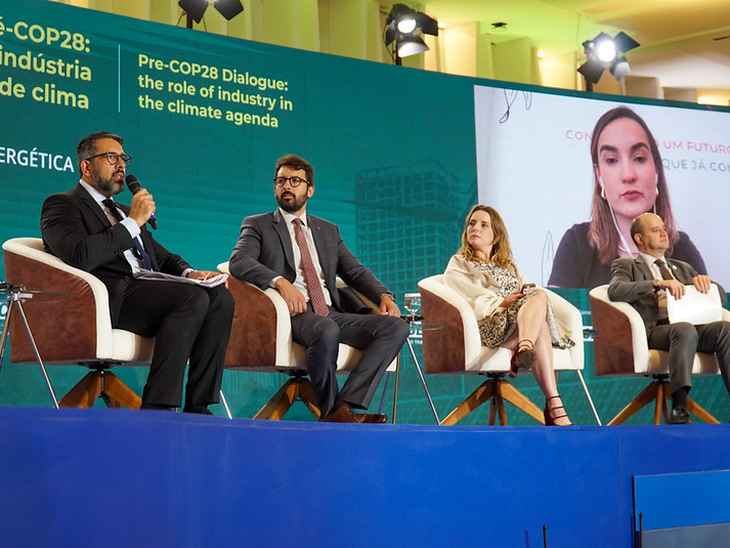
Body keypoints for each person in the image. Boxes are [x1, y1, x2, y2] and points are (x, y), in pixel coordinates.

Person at [40, 131, 234, 414]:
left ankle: (199, 405)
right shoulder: (62, 204)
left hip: (150, 292)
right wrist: (132, 222)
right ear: (86, 166)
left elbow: (160, 255)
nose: (121, 165)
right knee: (190, 299)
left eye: (123, 158)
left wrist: (190, 272)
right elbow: (79, 256)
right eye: (111, 157)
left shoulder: (122, 211)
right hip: (107, 300)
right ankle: (158, 407)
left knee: (220, 298)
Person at [228, 154, 409, 423]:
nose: (286, 186)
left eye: (294, 181)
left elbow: (354, 271)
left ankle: (343, 408)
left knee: (397, 327)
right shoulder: (259, 224)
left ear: (309, 190)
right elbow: (238, 262)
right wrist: (280, 283)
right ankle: (333, 412)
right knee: (326, 328)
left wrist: (384, 295)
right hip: (292, 313)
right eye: (281, 181)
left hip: (330, 312)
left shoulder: (328, 230)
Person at [444, 205, 575, 426]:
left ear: (496, 235)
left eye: (484, 225)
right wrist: (501, 302)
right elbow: (465, 297)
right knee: (539, 316)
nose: (475, 228)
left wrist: (527, 293)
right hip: (486, 325)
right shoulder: (460, 263)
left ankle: (529, 357)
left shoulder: (509, 264)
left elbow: (526, 288)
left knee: (539, 300)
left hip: (516, 325)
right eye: (472, 223)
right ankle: (553, 404)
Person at [548, 106, 706, 289]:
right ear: (598, 175)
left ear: (656, 170)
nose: (628, 175)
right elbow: (554, 316)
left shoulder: (682, 248)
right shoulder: (576, 245)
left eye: (639, 158)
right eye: (612, 160)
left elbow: (709, 313)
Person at [608, 212, 730, 424]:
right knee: (683, 329)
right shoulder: (627, 265)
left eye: (664, 228)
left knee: (725, 329)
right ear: (639, 239)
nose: (664, 233)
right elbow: (615, 290)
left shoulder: (683, 267)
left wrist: (708, 284)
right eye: (656, 230)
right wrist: (656, 285)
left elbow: (719, 297)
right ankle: (680, 407)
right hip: (657, 331)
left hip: (693, 327)